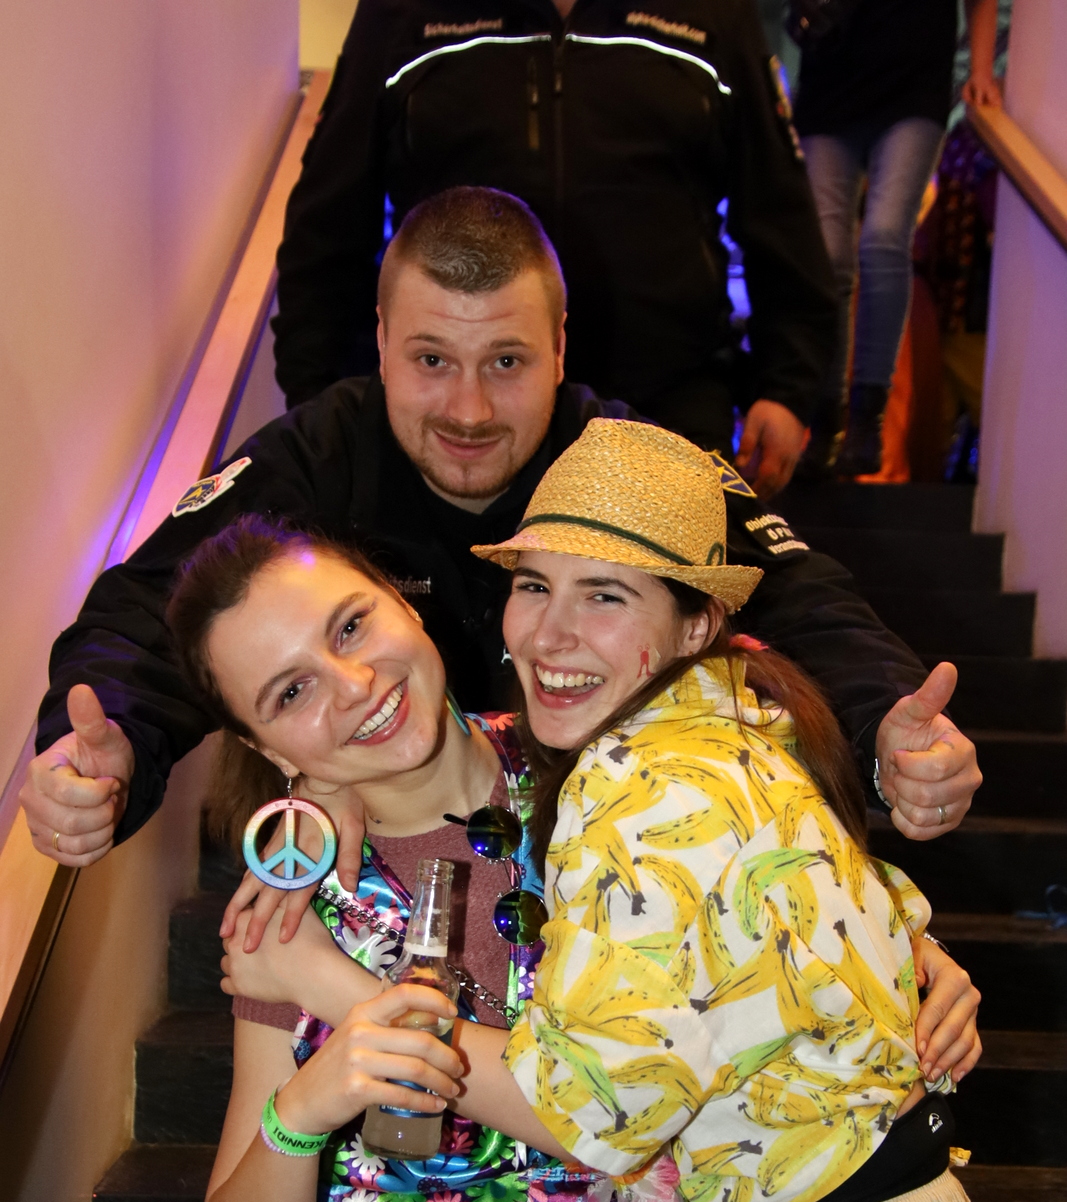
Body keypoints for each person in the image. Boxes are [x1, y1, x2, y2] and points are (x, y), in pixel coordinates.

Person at [22, 188, 981, 911]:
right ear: (381, 340)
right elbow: (152, 609)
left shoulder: (631, 461)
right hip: (384, 864)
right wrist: (104, 753)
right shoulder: (311, 457)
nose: (470, 409)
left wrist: (886, 732)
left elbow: (798, 596)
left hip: (609, 862)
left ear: (560, 346)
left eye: (507, 362)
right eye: (432, 360)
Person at [461, 416, 1022, 1202]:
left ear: (694, 624)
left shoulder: (642, 784)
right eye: (532, 584)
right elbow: (879, 937)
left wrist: (352, 1008)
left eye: (604, 595)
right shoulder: (738, 731)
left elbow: (595, 1111)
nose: (548, 633)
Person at [168, 516, 684, 1202]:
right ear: (270, 751)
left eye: (352, 626)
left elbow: (621, 1107)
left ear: (407, 600)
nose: (353, 685)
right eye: (291, 692)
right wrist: (304, 1107)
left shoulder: (605, 789)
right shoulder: (289, 904)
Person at [271, 0, 839, 493]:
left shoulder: (715, 12)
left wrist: (787, 388)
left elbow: (778, 210)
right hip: (460, 420)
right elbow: (327, 225)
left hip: (666, 411)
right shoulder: (400, 13)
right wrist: (318, 403)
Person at [792, 0, 1003, 478]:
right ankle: (826, 420)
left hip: (913, 85)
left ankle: (867, 420)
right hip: (831, 80)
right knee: (827, 256)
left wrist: (982, 72)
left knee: (884, 239)